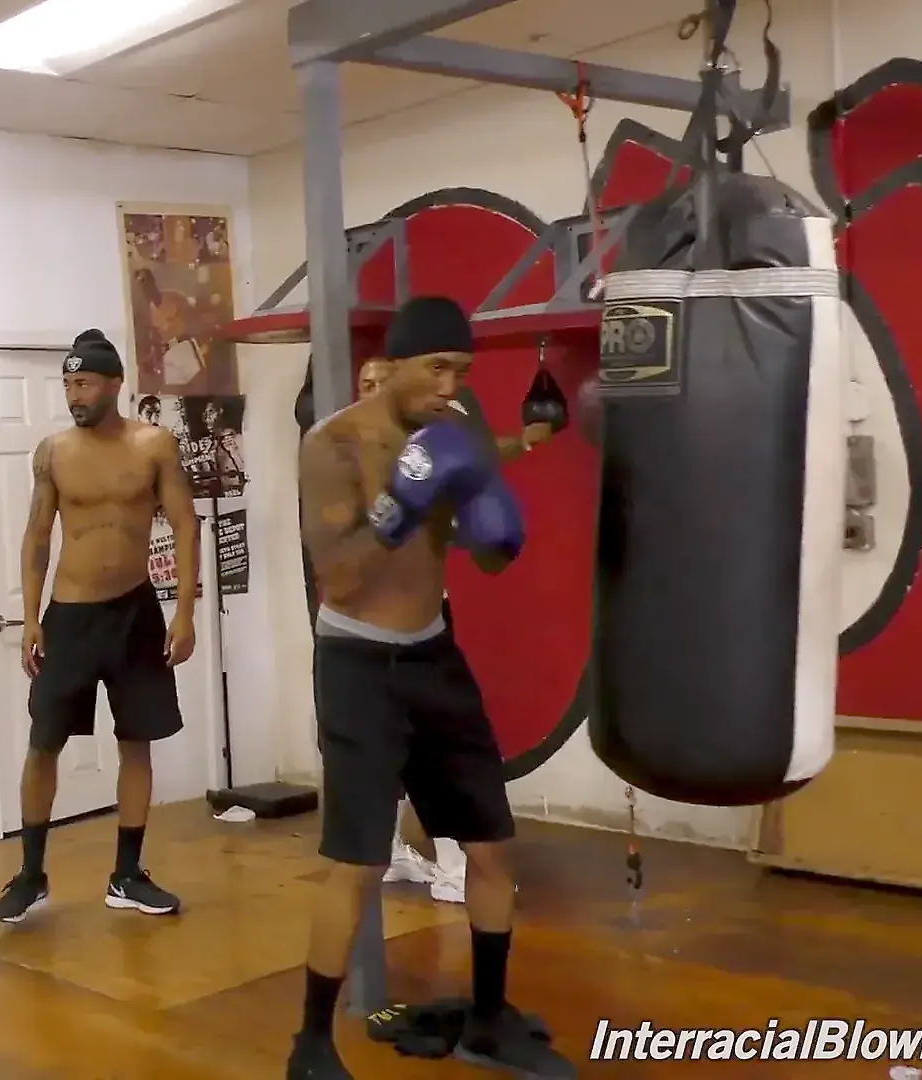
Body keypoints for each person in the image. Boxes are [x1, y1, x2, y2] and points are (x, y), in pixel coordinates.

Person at [290, 297, 574, 1079]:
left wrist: (490, 517)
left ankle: (489, 1019)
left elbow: (488, 559)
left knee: (491, 845)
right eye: (437, 368)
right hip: (357, 663)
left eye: (461, 372)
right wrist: (401, 502)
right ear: (393, 365)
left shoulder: (456, 430)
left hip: (432, 654)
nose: (449, 386)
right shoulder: (334, 443)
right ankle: (310, 1045)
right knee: (355, 862)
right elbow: (341, 578)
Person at [0, 329, 199, 924]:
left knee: (136, 741)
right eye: (67, 384)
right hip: (71, 616)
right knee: (44, 744)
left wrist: (184, 611)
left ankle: (127, 875)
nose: (73, 394)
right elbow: (37, 536)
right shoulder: (53, 452)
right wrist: (32, 617)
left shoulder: (154, 445)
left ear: (114, 384)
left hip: (135, 612)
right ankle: (30, 874)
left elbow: (185, 524)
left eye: (82, 383)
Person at [360, 355, 556, 904]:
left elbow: (476, 454)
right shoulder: (356, 453)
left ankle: (410, 854)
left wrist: (526, 443)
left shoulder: (427, 448)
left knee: (418, 739)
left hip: (423, 617)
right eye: (365, 385)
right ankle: (447, 865)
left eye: (381, 383)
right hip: (368, 624)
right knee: (416, 742)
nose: (373, 393)